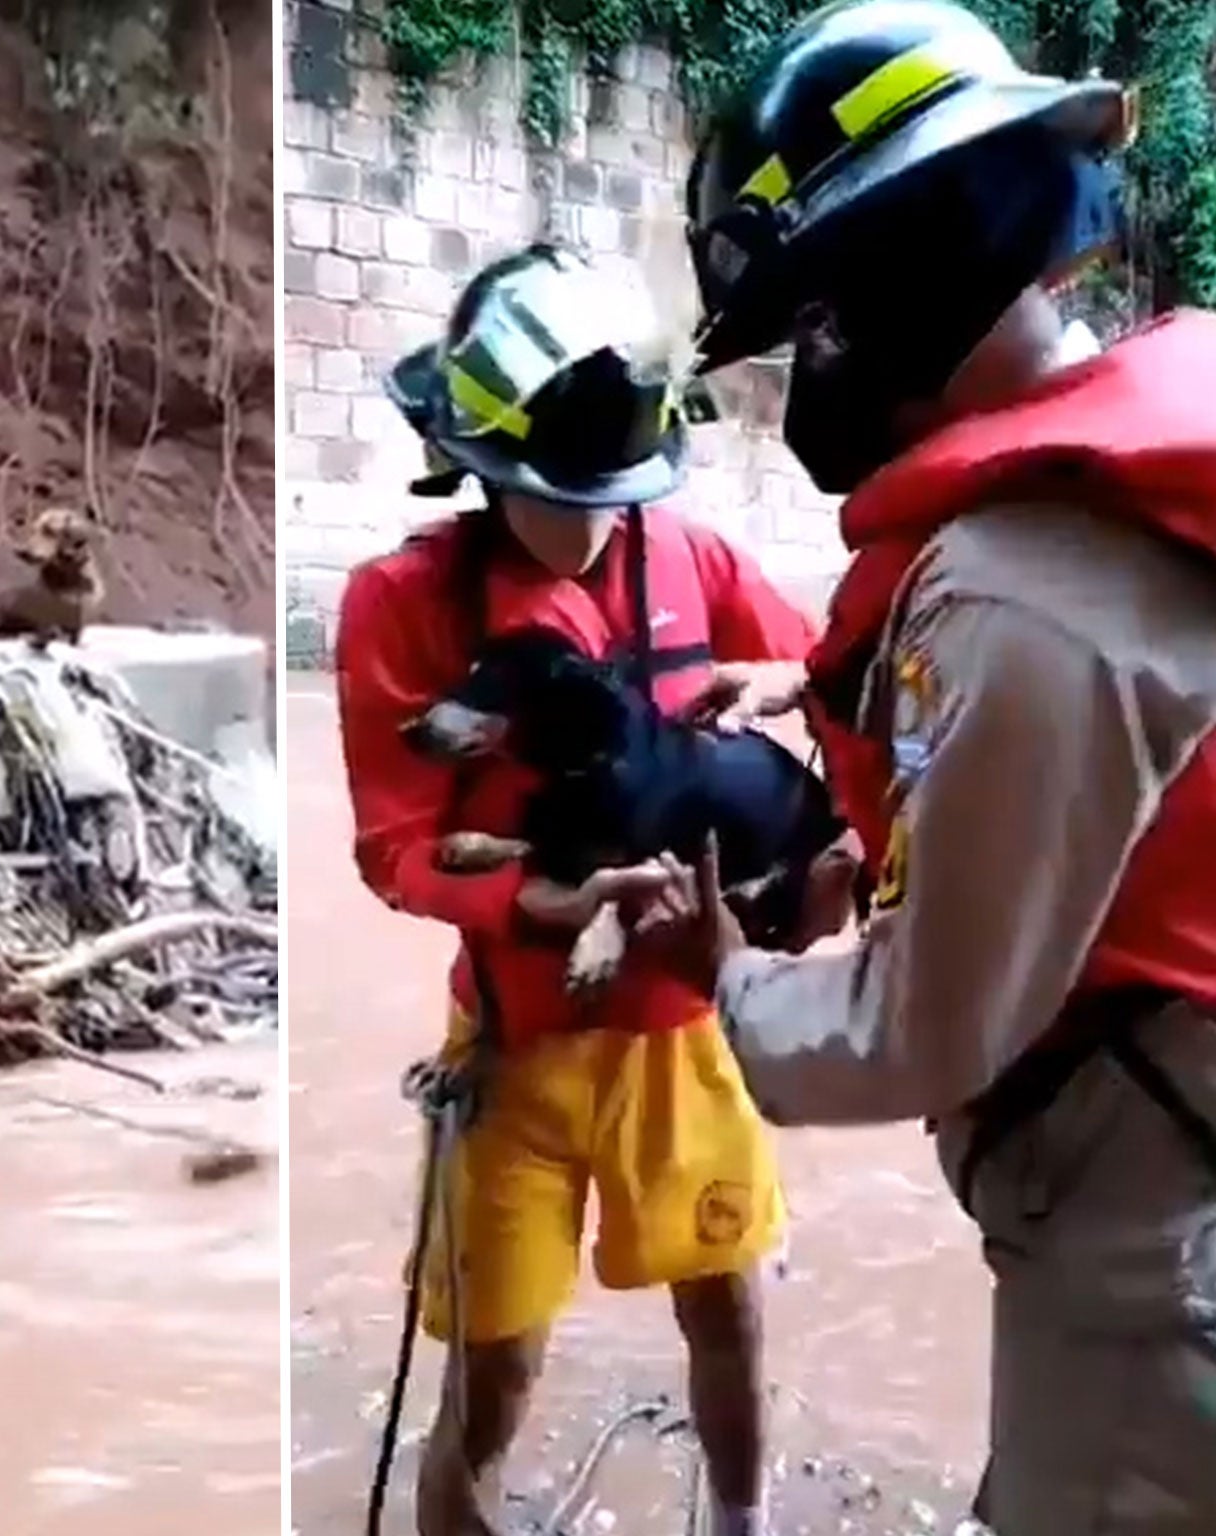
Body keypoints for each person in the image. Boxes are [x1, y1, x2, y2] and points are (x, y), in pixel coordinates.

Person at [641, 1, 1216, 1530]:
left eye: (798, 338)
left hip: (1158, 1243)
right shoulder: (1142, 478)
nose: (793, 386)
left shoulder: (1016, 592)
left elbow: (928, 1028)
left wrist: (728, 973)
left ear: (864, 303)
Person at [335, 243, 820, 1536]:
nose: (597, 523)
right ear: (479, 464)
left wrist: (797, 690)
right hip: (517, 1041)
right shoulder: (402, 605)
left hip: (684, 1033)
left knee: (729, 1303)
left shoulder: (700, 564)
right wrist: (525, 907)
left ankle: (740, 1521)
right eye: (564, 493)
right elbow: (395, 845)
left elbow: (850, 682)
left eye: (618, 490)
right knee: (492, 1369)